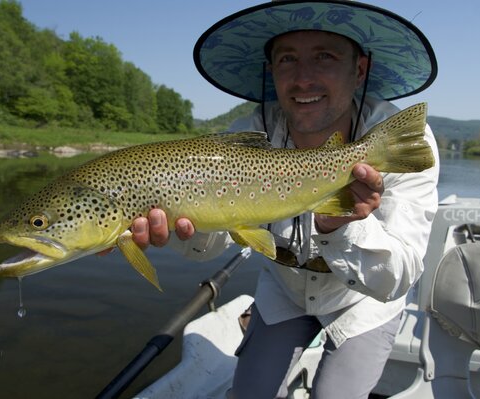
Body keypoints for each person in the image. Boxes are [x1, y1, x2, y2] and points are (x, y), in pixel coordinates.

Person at [133, 1, 439, 398]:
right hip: (284, 292)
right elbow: (207, 247)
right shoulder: (245, 138)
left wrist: (341, 224)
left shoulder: (395, 141)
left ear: (359, 69)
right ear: (271, 71)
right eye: (287, 59)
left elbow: (398, 277)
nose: (303, 79)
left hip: (363, 302)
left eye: (324, 57)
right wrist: (176, 226)